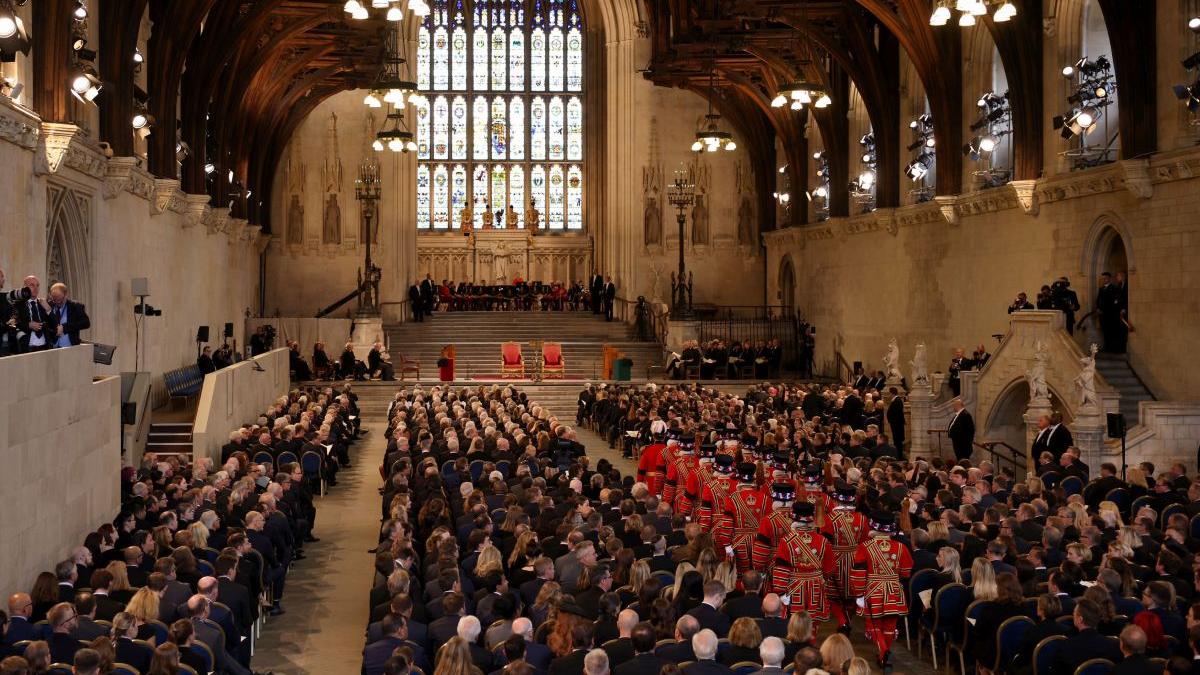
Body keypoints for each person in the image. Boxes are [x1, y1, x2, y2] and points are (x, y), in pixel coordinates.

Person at [849, 512, 912, 671]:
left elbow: (858, 573)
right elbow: (906, 572)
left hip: (873, 590)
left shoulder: (864, 547)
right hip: (894, 590)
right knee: (890, 625)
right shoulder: (901, 547)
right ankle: (885, 654)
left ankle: (884, 654)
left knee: (874, 625)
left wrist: (859, 594)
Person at [15, 276, 56, 353]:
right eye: (32, 285)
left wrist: (49, 310)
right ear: (25, 288)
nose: (35, 288)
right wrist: (28, 325)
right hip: (27, 349)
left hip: (45, 348)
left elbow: (55, 325)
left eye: (37, 285)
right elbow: (12, 324)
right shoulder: (18, 305)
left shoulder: (45, 304)